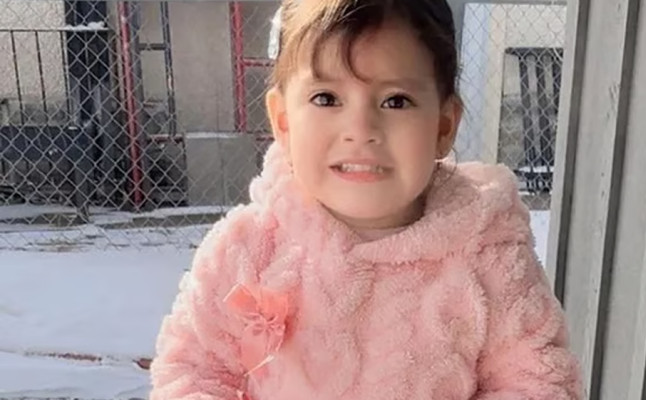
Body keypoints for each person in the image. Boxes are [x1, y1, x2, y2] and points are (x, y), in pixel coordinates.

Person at [149, 0, 583, 399]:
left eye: (396, 101)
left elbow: (541, 383)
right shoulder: (245, 251)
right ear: (283, 122)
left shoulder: (488, 257)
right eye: (326, 98)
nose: (360, 129)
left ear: (443, 126)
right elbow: (191, 373)